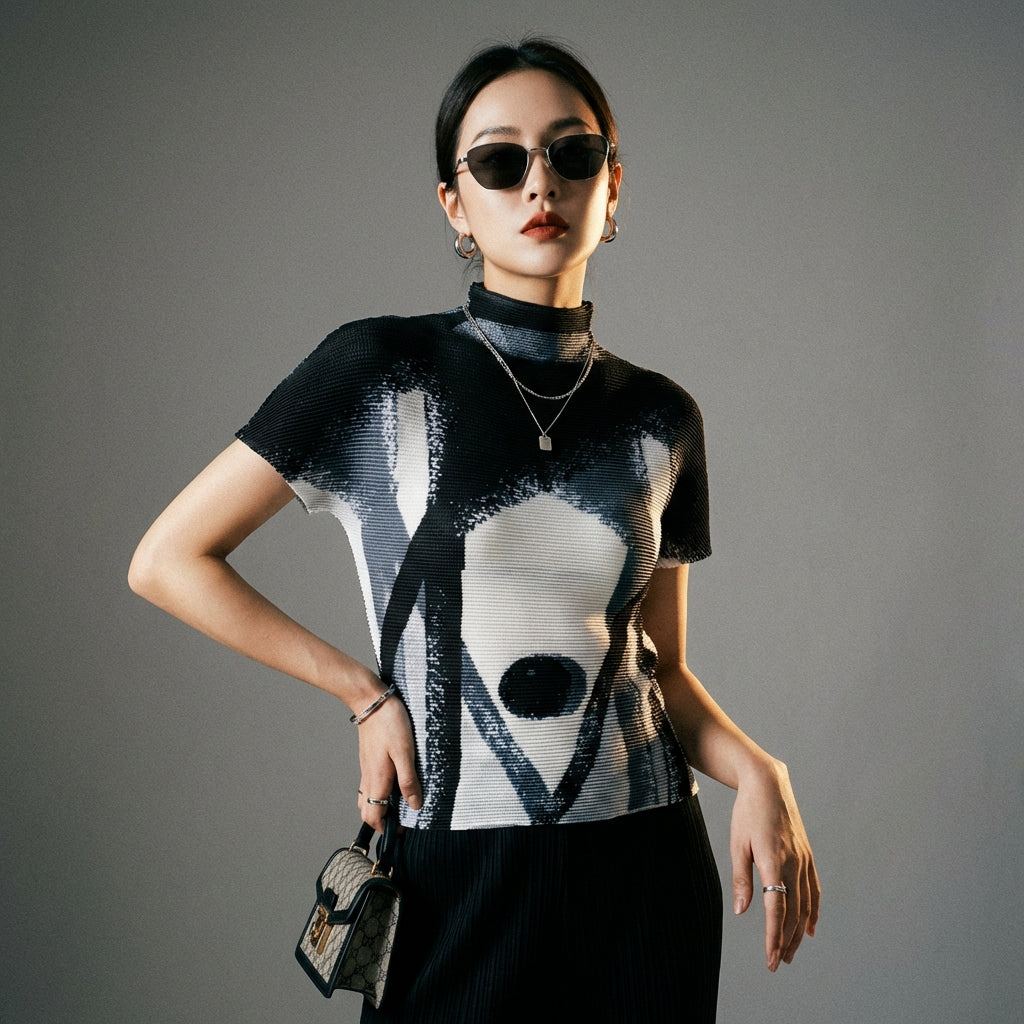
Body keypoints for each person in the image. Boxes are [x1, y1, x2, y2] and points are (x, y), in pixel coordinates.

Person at [129, 38, 819, 1024]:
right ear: (455, 205)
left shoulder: (661, 415)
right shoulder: (378, 370)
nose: (540, 182)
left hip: (646, 866)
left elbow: (660, 664)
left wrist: (756, 767)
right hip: (456, 870)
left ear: (612, 186)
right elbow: (167, 560)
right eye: (500, 161)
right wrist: (364, 695)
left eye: (573, 154)